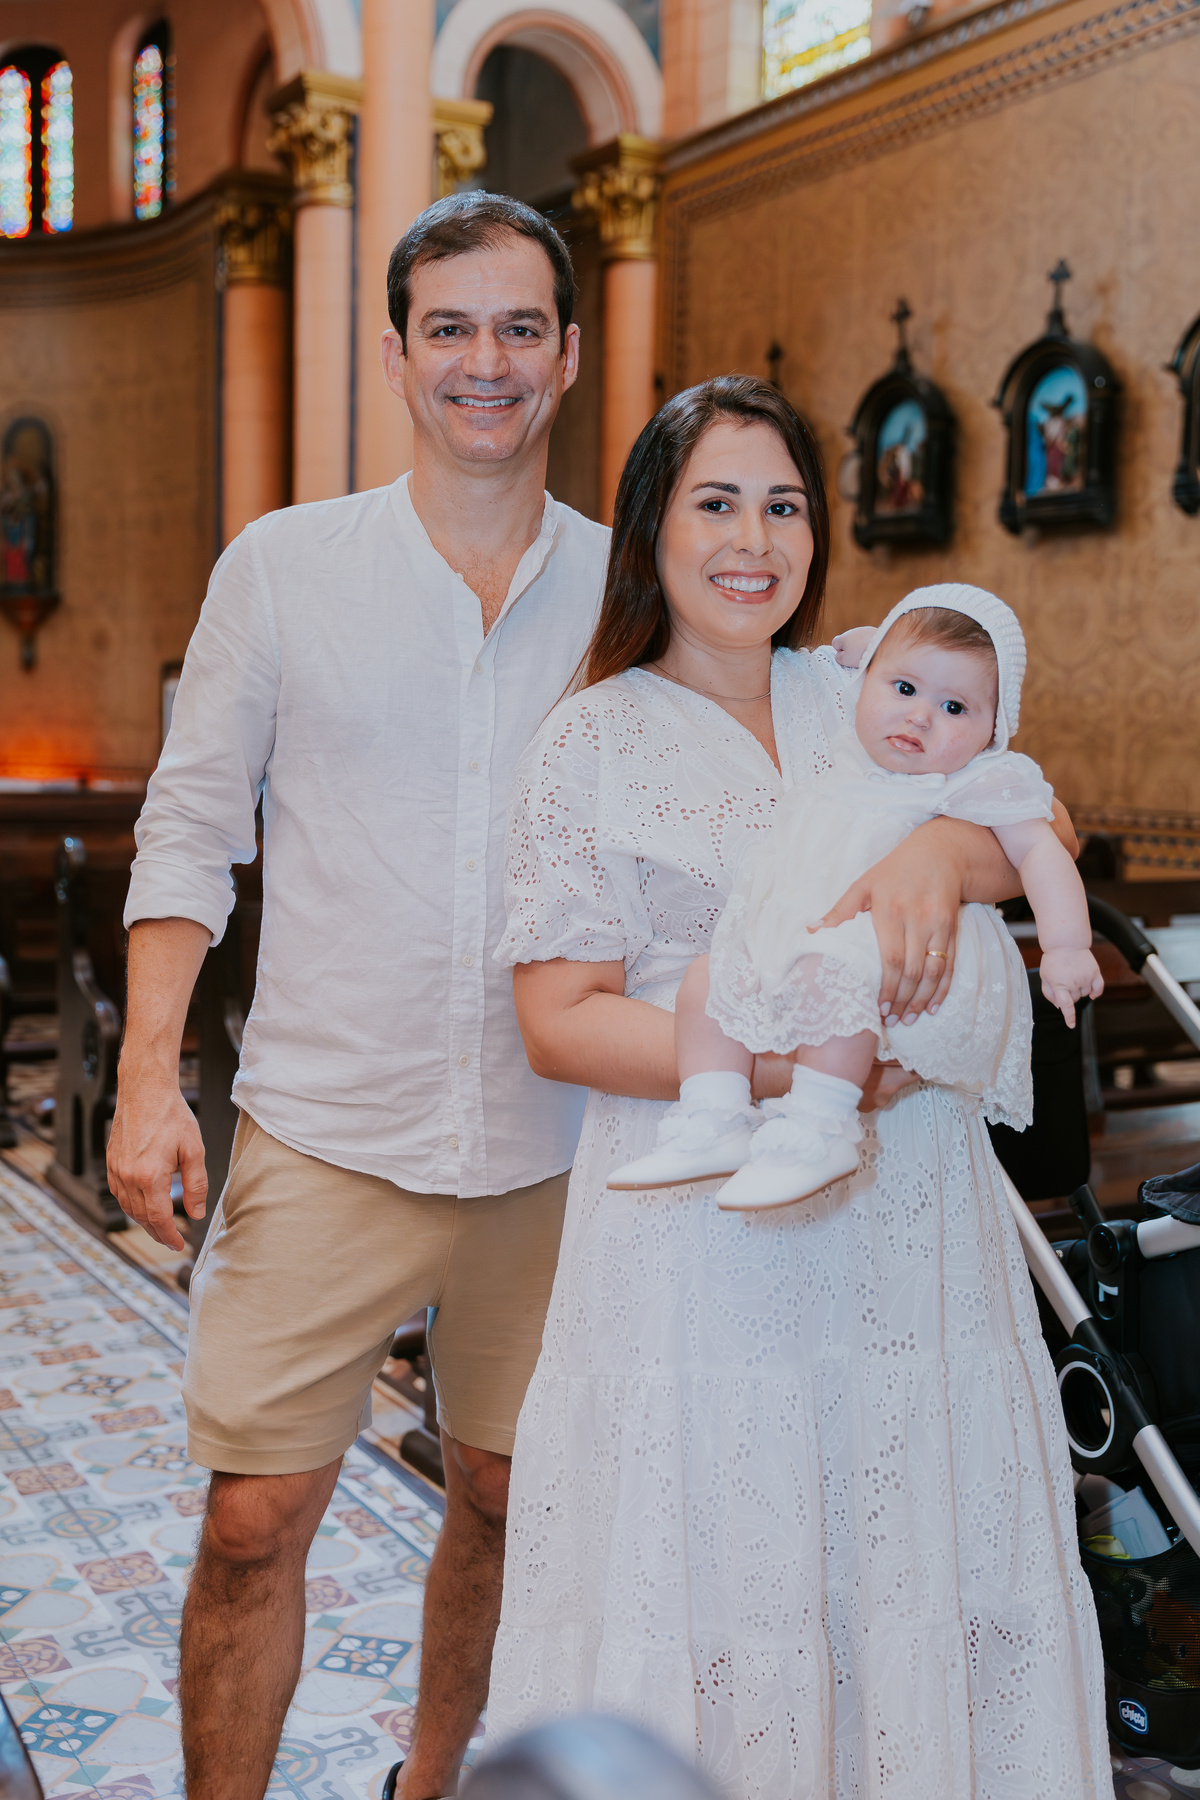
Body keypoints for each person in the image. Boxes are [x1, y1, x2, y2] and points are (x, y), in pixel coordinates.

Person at [485, 376, 1108, 1796]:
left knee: (906, 1572)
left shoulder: (862, 681)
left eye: (782, 504)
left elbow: (1037, 811)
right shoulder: (590, 740)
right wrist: (776, 1066)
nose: (751, 537)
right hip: (700, 1245)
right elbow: (559, 1022)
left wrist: (935, 861)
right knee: (725, 1583)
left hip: (910, 1232)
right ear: (652, 527)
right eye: (715, 502)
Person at [107, 192, 608, 1800]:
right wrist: (145, 1076)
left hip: (556, 1138)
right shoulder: (286, 568)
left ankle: (431, 1785)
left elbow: (823, 734)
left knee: (505, 1493)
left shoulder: (634, 593)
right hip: (329, 1123)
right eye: (450, 328)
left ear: (569, 355)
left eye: (519, 327)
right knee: (254, 1519)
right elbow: (191, 823)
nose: (486, 363)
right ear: (396, 355)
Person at [607, 584, 1104, 1209]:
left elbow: (1042, 849)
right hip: (822, 940)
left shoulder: (974, 781)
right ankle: (714, 1117)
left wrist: (1065, 946)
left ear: (992, 732)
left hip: (912, 958)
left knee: (831, 969)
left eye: (956, 708)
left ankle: (821, 1127)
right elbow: (894, 661)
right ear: (868, 682)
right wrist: (874, 649)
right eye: (904, 690)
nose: (920, 716)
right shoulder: (858, 742)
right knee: (711, 978)